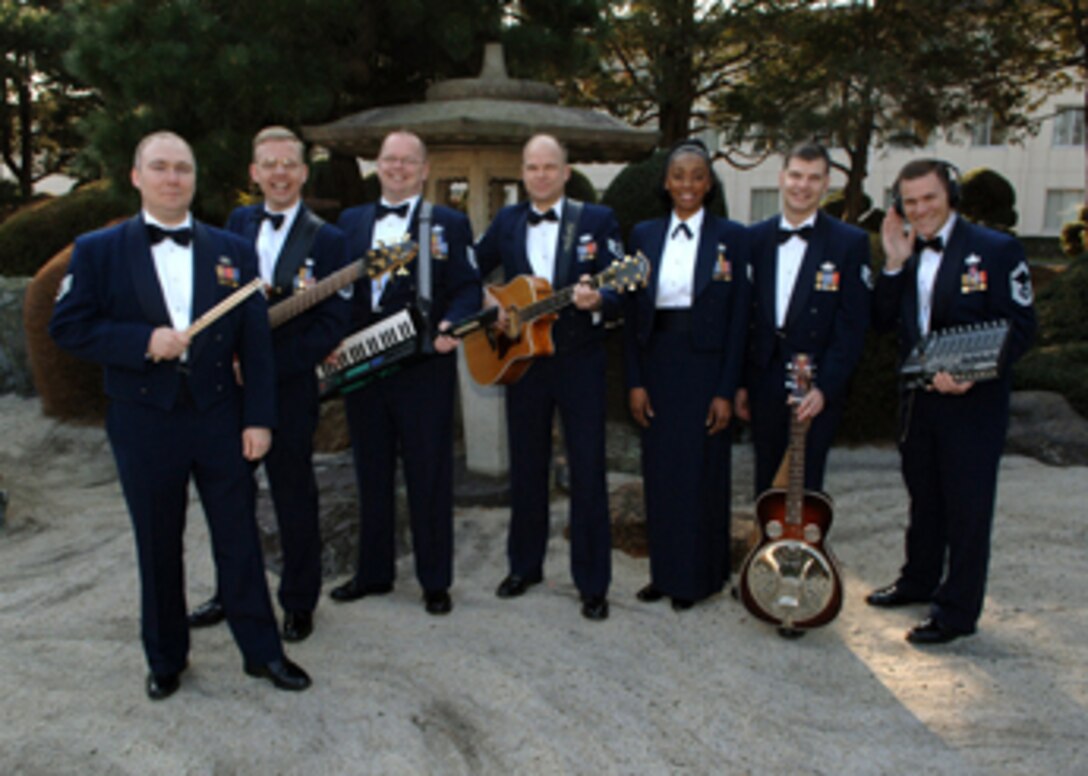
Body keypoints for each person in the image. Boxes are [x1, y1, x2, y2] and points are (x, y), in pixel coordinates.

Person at [49, 131, 310, 699]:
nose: (173, 178)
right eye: (160, 168)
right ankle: (166, 657)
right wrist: (143, 341)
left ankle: (262, 653)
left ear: (195, 179)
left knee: (239, 537)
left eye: (183, 169)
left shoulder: (231, 250)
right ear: (136, 176)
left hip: (219, 413)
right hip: (144, 420)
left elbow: (256, 346)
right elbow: (67, 326)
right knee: (158, 540)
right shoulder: (97, 249)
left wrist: (259, 418)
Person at [187, 127, 350, 643]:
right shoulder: (235, 224)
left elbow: (330, 327)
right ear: (254, 173)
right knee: (228, 494)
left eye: (289, 164)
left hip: (287, 390)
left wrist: (261, 366)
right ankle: (232, 590)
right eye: (268, 164)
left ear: (303, 173)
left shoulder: (330, 240)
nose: (279, 173)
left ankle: (299, 601)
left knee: (292, 494)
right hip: (227, 390)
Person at [868, 158, 1036, 644]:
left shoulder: (997, 250)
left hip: (972, 403)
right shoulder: (906, 250)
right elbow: (881, 321)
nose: (920, 210)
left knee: (967, 508)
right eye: (910, 201)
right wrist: (894, 262)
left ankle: (956, 611)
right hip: (918, 403)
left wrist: (970, 374)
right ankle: (917, 580)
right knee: (924, 498)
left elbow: (1021, 327)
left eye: (929, 199)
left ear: (951, 197)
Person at [329, 130, 481, 615]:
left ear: (424, 170)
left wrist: (452, 326)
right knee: (370, 471)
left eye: (407, 161)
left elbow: (468, 288)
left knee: (429, 473)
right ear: (378, 164)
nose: (397, 168)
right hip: (362, 363)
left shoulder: (449, 223)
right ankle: (373, 573)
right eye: (389, 160)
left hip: (422, 364)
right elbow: (336, 291)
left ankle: (434, 580)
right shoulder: (348, 222)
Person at [475, 133, 622, 621]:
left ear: (565, 171)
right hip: (524, 363)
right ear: (524, 172)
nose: (540, 175)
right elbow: (468, 267)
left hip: (580, 362)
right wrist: (488, 300)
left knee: (587, 470)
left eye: (549, 167)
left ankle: (592, 582)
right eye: (532, 167)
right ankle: (525, 566)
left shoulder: (596, 220)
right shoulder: (508, 221)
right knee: (526, 467)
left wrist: (599, 297)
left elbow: (623, 283)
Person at [623, 139, 751, 611]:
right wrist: (635, 380)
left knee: (703, 475)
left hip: (706, 369)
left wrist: (725, 388)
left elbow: (740, 319)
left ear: (709, 183)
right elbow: (634, 316)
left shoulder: (732, 237)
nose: (687, 185)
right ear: (665, 182)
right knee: (661, 474)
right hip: (658, 363)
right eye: (679, 176)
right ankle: (665, 572)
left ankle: (700, 578)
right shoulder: (642, 235)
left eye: (697, 176)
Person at [736, 142, 871, 495]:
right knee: (766, 480)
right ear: (782, 178)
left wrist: (826, 386)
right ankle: (768, 548)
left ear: (826, 184)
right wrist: (739, 383)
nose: (802, 185)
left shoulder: (849, 243)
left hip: (814, 381)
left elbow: (852, 325)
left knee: (806, 484)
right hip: (763, 379)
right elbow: (742, 317)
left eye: (813, 178)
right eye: (796, 175)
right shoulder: (753, 239)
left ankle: (803, 550)